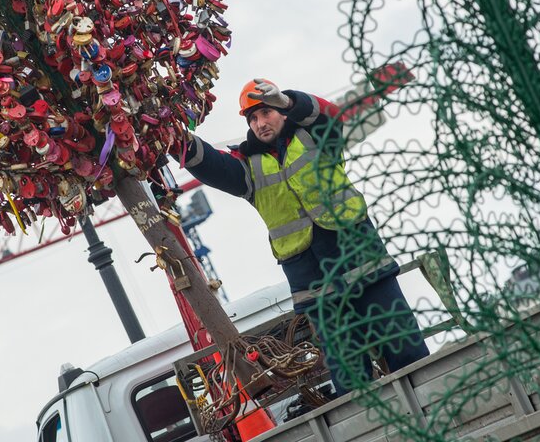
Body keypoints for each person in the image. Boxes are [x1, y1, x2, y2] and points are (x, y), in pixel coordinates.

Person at [176, 78, 429, 395]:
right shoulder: (247, 168)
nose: (259, 123)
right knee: (350, 374)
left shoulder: (315, 136)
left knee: (404, 348)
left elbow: (334, 117)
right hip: (317, 288)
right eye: (252, 118)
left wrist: (290, 101)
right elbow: (208, 163)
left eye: (265, 112)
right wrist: (171, 134)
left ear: (281, 111)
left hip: (364, 264)